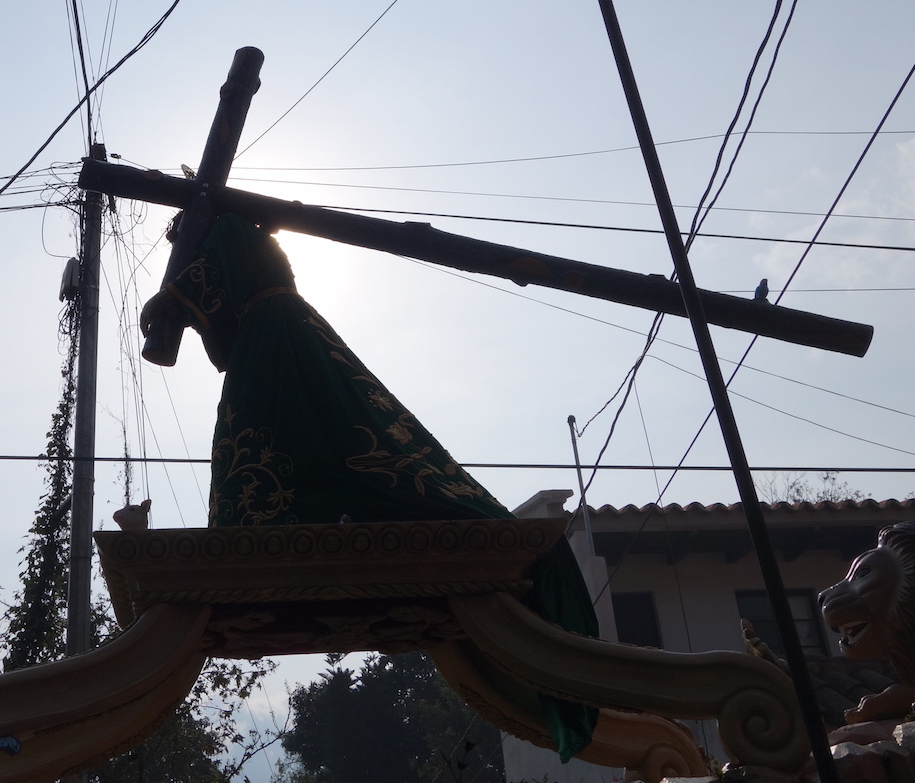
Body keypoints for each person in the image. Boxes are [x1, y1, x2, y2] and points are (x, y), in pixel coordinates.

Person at [141, 213, 599, 759]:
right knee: (343, 432)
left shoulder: (221, 237)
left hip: (270, 351)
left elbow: (216, 334)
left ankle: (280, 518)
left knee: (275, 448)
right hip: (296, 336)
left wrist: (167, 305)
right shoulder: (257, 240)